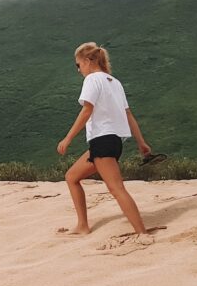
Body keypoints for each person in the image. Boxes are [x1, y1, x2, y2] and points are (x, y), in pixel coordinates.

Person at [56, 42, 151, 236]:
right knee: (72, 177)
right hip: (114, 142)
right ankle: (82, 225)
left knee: (116, 188)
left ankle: (142, 233)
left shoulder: (92, 80)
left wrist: (68, 138)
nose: (78, 69)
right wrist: (141, 142)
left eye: (78, 64)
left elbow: (87, 110)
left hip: (102, 140)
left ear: (88, 61)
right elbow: (129, 115)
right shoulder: (114, 82)